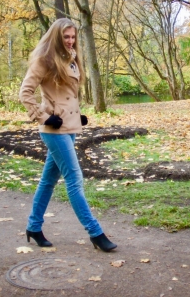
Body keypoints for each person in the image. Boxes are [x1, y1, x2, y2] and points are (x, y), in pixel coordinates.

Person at [19, 18, 117, 253]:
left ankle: (33, 226)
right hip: (54, 129)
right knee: (74, 178)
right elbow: (25, 93)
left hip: (69, 127)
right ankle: (95, 232)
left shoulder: (72, 59)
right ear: (56, 37)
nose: (70, 41)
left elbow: (67, 96)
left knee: (48, 180)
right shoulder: (44, 60)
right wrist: (43, 117)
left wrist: (77, 116)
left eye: (73, 37)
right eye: (66, 37)